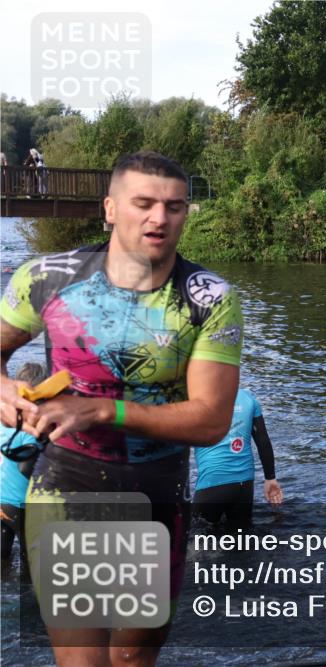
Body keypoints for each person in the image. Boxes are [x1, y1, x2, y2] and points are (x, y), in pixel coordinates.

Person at [0, 151, 243, 666]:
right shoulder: (48, 278)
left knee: (133, 658)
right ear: (110, 209)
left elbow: (211, 419)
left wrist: (102, 411)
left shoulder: (210, 298)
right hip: (66, 485)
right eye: (144, 203)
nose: (160, 218)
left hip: (158, 491)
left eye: (174, 206)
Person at [193, 387, 283, 528]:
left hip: (211, 483)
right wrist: (270, 478)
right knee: (241, 542)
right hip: (244, 486)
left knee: (198, 541)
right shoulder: (249, 399)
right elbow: (263, 441)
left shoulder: (195, 400)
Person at [0, 362, 46, 568]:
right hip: (24, 507)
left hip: (2, 504)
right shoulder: (34, 433)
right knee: (32, 566)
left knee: (2, 560)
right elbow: (26, 468)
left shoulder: (3, 424)